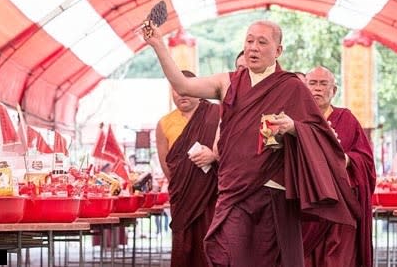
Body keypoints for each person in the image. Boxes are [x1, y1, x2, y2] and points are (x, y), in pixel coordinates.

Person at [144, 20, 360, 267]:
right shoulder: (228, 82)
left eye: (262, 42)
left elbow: (320, 133)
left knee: (270, 260)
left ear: (278, 51)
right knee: (227, 253)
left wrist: (293, 128)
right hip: (234, 190)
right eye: (249, 41)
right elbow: (183, 85)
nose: (253, 48)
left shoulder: (292, 87)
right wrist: (158, 45)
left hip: (273, 189)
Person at [303, 66, 376, 267]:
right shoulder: (295, 120)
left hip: (340, 209)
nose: (317, 89)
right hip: (306, 210)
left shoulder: (346, 119)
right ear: (304, 87)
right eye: (313, 83)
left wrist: (346, 159)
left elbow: (366, 161)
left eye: (323, 84)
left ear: (333, 91)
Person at [156, 70, 221, 267]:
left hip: (212, 194)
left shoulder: (216, 114)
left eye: (186, 88)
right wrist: (183, 185)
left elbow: (231, 152)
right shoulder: (164, 123)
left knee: (212, 246)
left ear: (198, 90)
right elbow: (167, 165)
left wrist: (214, 156)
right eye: (176, 89)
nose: (181, 94)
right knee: (184, 248)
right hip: (183, 196)